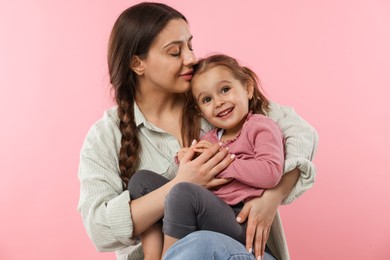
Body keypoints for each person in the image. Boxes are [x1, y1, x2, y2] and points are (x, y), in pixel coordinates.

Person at [77, 2, 318, 260]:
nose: (191, 58)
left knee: (201, 243)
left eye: (189, 46)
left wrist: (272, 196)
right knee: (142, 183)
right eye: (174, 52)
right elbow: (99, 228)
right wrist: (182, 182)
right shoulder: (106, 136)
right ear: (138, 64)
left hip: (240, 248)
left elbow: (301, 132)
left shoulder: (212, 100)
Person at [132, 54, 285, 259]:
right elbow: (196, 178)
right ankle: (152, 256)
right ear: (201, 111)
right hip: (211, 212)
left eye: (225, 89)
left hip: (241, 219)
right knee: (141, 181)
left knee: (183, 192)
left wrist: (221, 164)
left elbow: (271, 172)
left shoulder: (259, 126)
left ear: (248, 88)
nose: (219, 102)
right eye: (207, 99)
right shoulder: (210, 137)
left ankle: (169, 256)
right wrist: (187, 159)